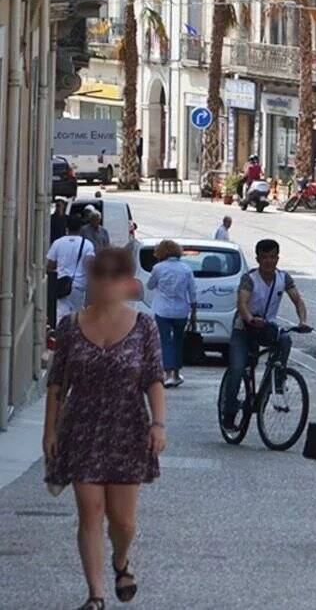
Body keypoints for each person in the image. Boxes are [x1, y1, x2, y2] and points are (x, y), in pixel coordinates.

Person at [43, 248, 166, 610]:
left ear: (127, 282)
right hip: (82, 427)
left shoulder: (145, 326)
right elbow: (55, 385)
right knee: (90, 510)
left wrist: (159, 424)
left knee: (124, 521)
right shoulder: (70, 326)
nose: (107, 283)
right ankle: (95, 595)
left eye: (115, 277)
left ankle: (121, 561)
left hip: (128, 426)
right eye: (100, 276)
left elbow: (154, 379)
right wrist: (50, 432)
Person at [221, 239, 310, 428]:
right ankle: (229, 413)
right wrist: (250, 318)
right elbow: (242, 304)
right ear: (258, 259)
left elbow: (298, 300)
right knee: (237, 369)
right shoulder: (250, 278)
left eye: (273, 257)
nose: (269, 261)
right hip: (244, 329)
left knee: (284, 339)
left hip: (266, 327)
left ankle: (278, 378)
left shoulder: (283, 278)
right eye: (265, 257)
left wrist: (302, 321)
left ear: (278, 258)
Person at [146, 240, 197, 388]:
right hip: (181, 310)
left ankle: (167, 374)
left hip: (163, 310)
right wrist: (194, 311)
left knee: (165, 340)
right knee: (178, 341)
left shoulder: (158, 268)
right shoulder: (186, 269)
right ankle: (176, 373)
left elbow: (150, 285)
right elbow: (192, 291)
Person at [47, 217, 96, 323]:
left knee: (60, 314)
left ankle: (60, 335)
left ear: (67, 228)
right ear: (80, 229)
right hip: (78, 287)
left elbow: (50, 264)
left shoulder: (58, 243)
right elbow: (90, 266)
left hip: (61, 285)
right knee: (76, 316)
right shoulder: (87, 244)